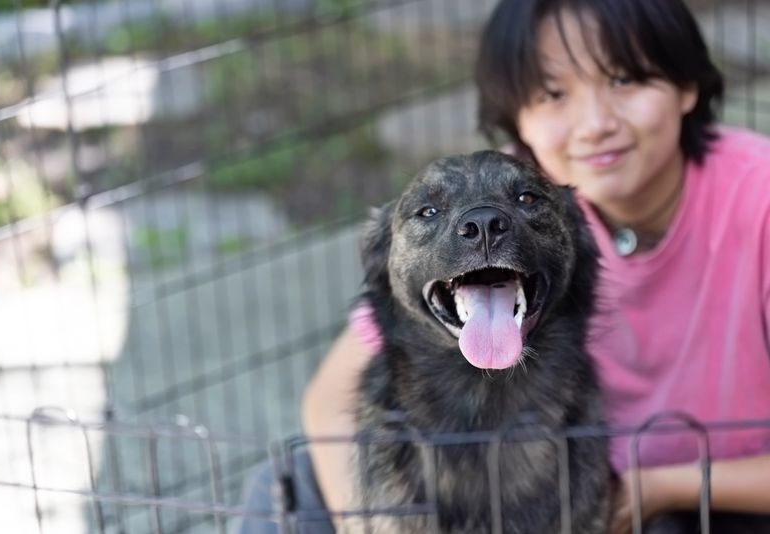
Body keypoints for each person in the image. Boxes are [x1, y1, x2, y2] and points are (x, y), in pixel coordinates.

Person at [240, 0, 770, 532]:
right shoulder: (516, 184)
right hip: (545, 478)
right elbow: (328, 397)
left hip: (716, 494)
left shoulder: (758, 199)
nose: (595, 125)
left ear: (686, 85)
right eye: (554, 94)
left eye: (625, 79)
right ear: (517, 118)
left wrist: (657, 488)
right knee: (286, 483)